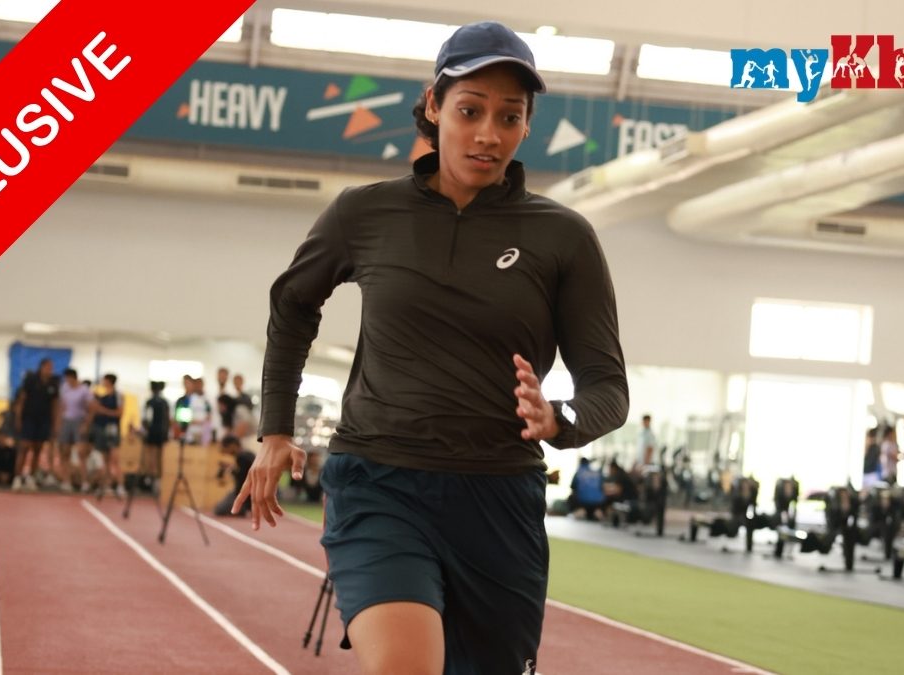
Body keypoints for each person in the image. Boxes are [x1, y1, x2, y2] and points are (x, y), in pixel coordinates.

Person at [232, 21, 628, 675]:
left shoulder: (564, 237)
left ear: (526, 125)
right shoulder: (364, 214)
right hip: (379, 481)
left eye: (509, 116)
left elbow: (609, 387)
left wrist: (560, 419)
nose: (488, 134)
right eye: (471, 110)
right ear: (434, 106)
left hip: (499, 498)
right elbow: (293, 304)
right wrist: (276, 429)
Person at [13, 358, 60, 491]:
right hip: (29, 418)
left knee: (37, 449)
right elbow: (22, 400)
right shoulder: (31, 380)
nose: (50, 370)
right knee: (24, 447)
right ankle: (17, 477)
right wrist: (18, 418)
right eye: (48, 367)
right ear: (41, 367)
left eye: (51, 368)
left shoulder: (53, 383)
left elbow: (55, 404)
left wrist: (55, 423)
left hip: (44, 420)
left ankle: (31, 477)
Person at [80, 373, 125, 498]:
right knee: (105, 460)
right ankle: (106, 485)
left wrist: (102, 410)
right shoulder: (102, 397)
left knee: (114, 458)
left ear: (109, 381)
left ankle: (120, 486)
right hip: (101, 429)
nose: (103, 383)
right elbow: (93, 411)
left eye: (104, 380)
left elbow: (119, 413)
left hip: (112, 430)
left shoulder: (118, 396)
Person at [55, 368, 90, 492]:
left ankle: (85, 482)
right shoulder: (64, 388)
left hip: (79, 420)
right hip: (66, 421)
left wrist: (86, 424)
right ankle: (66, 481)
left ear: (73, 377)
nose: (67, 381)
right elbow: (61, 406)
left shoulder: (84, 390)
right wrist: (58, 424)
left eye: (69, 378)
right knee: (65, 452)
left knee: (81, 453)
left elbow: (90, 408)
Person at [139, 380, 171, 493]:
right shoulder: (164, 402)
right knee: (159, 458)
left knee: (152, 457)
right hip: (161, 433)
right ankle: (157, 481)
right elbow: (168, 419)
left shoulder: (150, 402)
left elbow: (145, 419)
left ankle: (153, 480)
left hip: (152, 433)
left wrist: (145, 431)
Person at [214, 435, 256, 517]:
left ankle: (243, 508)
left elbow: (242, 477)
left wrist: (231, 469)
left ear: (232, 445)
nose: (225, 451)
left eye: (225, 447)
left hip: (245, 492)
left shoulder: (242, 457)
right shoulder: (248, 454)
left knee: (219, 509)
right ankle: (244, 507)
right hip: (249, 491)